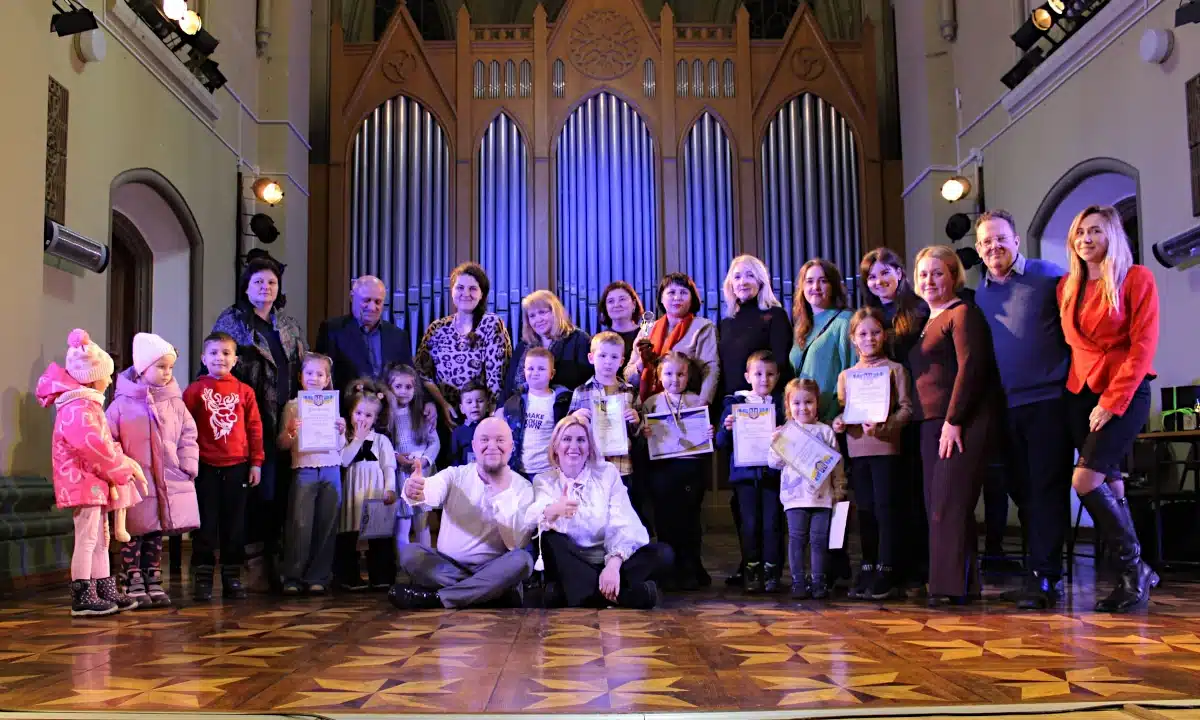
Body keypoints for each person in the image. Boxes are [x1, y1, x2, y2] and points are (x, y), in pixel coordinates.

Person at [1058, 205, 1160, 613]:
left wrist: (1112, 400)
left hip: (1125, 390)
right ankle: (1132, 576)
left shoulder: (1137, 278)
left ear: (1112, 235)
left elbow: (1142, 345)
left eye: (1095, 231)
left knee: (1084, 480)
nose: (1086, 239)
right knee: (1111, 483)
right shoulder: (1067, 285)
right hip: (1079, 392)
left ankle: (1135, 568)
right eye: (1080, 233)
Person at [972, 209, 1074, 609]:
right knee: (1022, 491)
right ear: (978, 250)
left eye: (1001, 238)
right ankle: (1039, 571)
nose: (994, 246)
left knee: (1047, 491)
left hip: (1050, 401)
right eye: (986, 242)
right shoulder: (980, 294)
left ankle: (1046, 578)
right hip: (1007, 407)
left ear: (1015, 241)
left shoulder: (1049, 276)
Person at [909, 245, 999, 607]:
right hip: (932, 423)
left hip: (960, 422)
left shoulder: (962, 313)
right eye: (924, 274)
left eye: (937, 273)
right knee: (941, 505)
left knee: (948, 505)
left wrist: (954, 420)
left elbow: (971, 368)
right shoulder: (926, 320)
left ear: (953, 276)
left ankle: (946, 587)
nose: (930, 280)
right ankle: (965, 584)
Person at [211, 253, 305, 591]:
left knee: (283, 492)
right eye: (258, 282)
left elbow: (303, 367)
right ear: (247, 287)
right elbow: (218, 365)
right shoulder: (233, 321)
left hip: (286, 418)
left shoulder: (289, 324)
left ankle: (276, 564)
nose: (265, 287)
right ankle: (251, 568)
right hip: (248, 417)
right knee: (257, 493)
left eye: (271, 282)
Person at [37, 329, 148, 616]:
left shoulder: (87, 406)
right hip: (82, 482)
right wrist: (121, 466)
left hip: (93, 481)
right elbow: (94, 446)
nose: (110, 380)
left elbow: (102, 443)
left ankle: (103, 588)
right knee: (87, 537)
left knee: (101, 537)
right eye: (106, 374)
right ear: (91, 376)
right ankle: (82, 594)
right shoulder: (77, 408)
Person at [389, 417, 536, 610]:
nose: (492, 446)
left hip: (493, 568)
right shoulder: (456, 474)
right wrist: (415, 489)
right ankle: (488, 593)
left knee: (522, 561)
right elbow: (431, 489)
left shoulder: (523, 487)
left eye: (500, 440)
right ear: (474, 446)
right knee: (410, 553)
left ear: (511, 446)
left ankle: (440, 598)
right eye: (484, 440)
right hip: (449, 567)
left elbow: (515, 542)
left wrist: (502, 493)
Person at [527, 416, 672, 608]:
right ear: (555, 446)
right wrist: (554, 509)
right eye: (566, 439)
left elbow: (623, 521)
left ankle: (576, 593)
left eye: (581, 440)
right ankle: (628, 596)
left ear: (589, 447)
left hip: (608, 559)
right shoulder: (543, 480)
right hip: (571, 563)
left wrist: (613, 565)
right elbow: (531, 518)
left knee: (663, 554)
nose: (574, 446)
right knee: (551, 540)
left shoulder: (607, 473)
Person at [107, 333, 200, 609]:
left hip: (168, 476)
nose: (166, 373)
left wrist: (188, 464)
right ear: (142, 368)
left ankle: (152, 575)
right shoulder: (122, 404)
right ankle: (131, 576)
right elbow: (109, 437)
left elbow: (188, 435)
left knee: (156, 531)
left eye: (170, 368)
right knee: (135, 529)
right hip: (136, 479)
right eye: (160, 367)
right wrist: (120, 466)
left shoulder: (175, 403)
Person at [717, 255, 794, 587]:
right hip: (737, 413)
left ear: (762, 280)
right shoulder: (727, 322)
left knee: (769, 504)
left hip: (768, 412)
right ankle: (749, 563)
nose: (743, 281)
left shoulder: (774, 316)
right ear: (730, 284)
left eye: (750, 275)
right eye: (737, 276)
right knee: (743, 501)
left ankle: (771, 567)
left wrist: (778, 411)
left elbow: (781, 365)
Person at [860, 248, 930, 591]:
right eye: (871, 277)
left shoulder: (917, 310)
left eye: (885, 273)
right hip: (874, 418)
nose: (878, 281)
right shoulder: (869, 317)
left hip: (910, 410)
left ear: (900, 273)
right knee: (882, 497)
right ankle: (888, 563)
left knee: (911, 491)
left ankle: (915, 566)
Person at [832, 308, 912, 601]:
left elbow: (906, 408)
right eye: (862, 333)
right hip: (857, 448)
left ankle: (887, 568)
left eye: (875, 332)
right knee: (864, 509)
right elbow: (846, 411)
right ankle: (867, 565)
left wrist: (886, 425)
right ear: (853, 338)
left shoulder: (895, 369)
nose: (869, 338)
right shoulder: (846, 376)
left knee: (886, 509)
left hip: (886, 447)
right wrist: (839, 421)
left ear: (885, 334)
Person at [183, 332, 265, 601]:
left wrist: (256, 463)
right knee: (205, 526)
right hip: (205, 467)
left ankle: (232, 577)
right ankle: (203, 578)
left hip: (237, 467)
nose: (220, 357)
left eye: (226, 353)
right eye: (215, 353)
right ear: (204, 358)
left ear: (235, 359)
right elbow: (184, 429)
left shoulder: (245, 392)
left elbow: (254, 429)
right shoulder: (195, 390)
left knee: (235, 526)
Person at [316, 275, 438, 426]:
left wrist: (427, 402)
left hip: (389, 422)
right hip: (346, 419)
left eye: (378, 302)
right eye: (366, 300)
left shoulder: (398, 335)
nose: (372, 307)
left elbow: (410, 375)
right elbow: (322, 377)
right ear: (352, 297)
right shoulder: (331, 330)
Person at [641, 352, 716, 590]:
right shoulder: (651, 403)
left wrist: (709, 434)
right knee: (666, 521)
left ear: (688, 376)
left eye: (681, 374)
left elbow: (705, 438)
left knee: (690, 521)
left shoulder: (697, 402)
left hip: (690, 468)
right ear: (659, 375)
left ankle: (691, 568)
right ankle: (669, 571)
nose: (675, 379)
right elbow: (642, 440)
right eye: (669, 373)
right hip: (662, 469)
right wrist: (645, 435)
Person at [716, 350, 786, 593]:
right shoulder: (735, 405)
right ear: (747, 377)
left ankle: (772, 571)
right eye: (758, 374)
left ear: (777, 377)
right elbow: (720, 442)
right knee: (749, 525)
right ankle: (751, 570)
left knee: (772, 525)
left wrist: (784, 432)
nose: (764, 379)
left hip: (772, 477)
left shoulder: (781, 405)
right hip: (745, 478)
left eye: (769, 374)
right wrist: (727, 428)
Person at [769, 378, 845, 600]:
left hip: (822, 498)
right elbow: (774, 463)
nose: (803, 408)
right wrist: (776, 443)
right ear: (788, 405)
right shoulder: (786, 432)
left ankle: (819, 580)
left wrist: (839, 490)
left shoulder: (826, 431)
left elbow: (837, 463)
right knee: (797, 539)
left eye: (808, 402)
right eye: (797, 403)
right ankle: (798, 582)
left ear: (817, 403)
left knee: (819, 540)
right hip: (794, 498)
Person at [277, 353, 346, 595]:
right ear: (301, 377)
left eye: (320, 374)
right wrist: (290, 431)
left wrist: (342, 430)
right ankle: (293, 577)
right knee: (300, 524)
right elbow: (282, 444)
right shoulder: (293, 406)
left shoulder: (334, 405)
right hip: (304, 468)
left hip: (331, 469)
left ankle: (318, 576)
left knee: (327, 524)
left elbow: (341, 447)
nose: (314, 378)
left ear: (327, 379)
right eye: (309, 373)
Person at [415, 262, 512, 415]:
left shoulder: (491, 324)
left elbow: (496, 382)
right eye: (460, 288)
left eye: (473, 288)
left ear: (482, 294)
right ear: (452, 291)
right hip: (442, 414)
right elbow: (422, 373)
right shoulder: (437, 328)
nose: (465, 293)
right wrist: (443, 405)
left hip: (480, 415)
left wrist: (490, 419)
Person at [569, 332, 645, 525]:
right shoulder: (581, 392)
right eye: (602, 356)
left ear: (622, 361)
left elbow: (640, 432)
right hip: (591, 467)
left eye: (614, 357)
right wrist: (574, 419)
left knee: (621, 517)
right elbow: (567, 431)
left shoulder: (629, 392)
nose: (607, 362)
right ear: (591, 357)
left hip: (622, 467)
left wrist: (636, 421)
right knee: (595, 516)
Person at [337, 380, 398, 591]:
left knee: (379, 537)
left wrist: (390, 489)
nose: (362, 419)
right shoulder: (344, 438)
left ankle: (382, 576)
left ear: (376, 418)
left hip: (375, 493)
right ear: (351, 412)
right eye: (358, 413)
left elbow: (389, 467)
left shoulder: (382, 441)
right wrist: (357, 440)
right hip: (351, 494)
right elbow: (343, 460)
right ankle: (348, 577)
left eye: (368, 415)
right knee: (348, 535)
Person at [626, 272, 720, 406]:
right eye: (671, 293)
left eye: (683, 292)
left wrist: (702, 405)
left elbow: (710, 369)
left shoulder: (703, 327)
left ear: (692, 298)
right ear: (661, 299)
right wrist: (642, 362)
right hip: (648, 405)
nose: (677, 297)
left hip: (687, 405)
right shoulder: (647, 329)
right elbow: (628, 376)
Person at [790, 259, 854, 422]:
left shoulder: (845, 321)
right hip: (804, 419)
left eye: (823, 281)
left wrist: (836, 414)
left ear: (833, 286)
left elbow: (853, 371)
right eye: (809, 281)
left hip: (830, 419)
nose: (815, 287)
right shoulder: (802, 326)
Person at [385, 363, 438, 553]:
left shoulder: (421, 414)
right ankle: (404, 566)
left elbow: (434, 443)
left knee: (422, 522)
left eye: (408, 387)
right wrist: (397, 457)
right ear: (389, 388)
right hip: (401, 475)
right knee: (403, 523)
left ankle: (427, 563)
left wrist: (423, 461)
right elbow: (384, 445)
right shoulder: (387, 416)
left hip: (421, 474)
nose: (403, 392)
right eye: (398, 387)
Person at [502, 290, 592, 402]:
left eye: (542, 312)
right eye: (532, 316)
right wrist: (500, 408)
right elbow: (508, 386)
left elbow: (589, 382)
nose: (538, 320)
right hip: (521, 410)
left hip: (565, 411)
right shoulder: (523, 346)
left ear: (555, 312)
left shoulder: (579, 339)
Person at [498, 348, 573, 476]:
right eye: (530, 369)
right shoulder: (514, 401)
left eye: (541, 369)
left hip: (548, 470)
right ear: (524, 371)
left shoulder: (561, 402)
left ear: (552, 374)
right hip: (518, 470)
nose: (535, 373)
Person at [597, 281, 647, 376]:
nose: (616, 305)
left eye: (622, 299)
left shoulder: (645, 336)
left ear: (634, 304)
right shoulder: (598, 340)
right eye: (611, 301)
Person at [448, 382, 493, 466]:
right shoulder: (458, 433)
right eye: (469, 402)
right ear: (462, 409)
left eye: (480, 401)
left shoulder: (494, 428)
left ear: (487, 406)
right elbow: (455, 461)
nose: (475, 405)